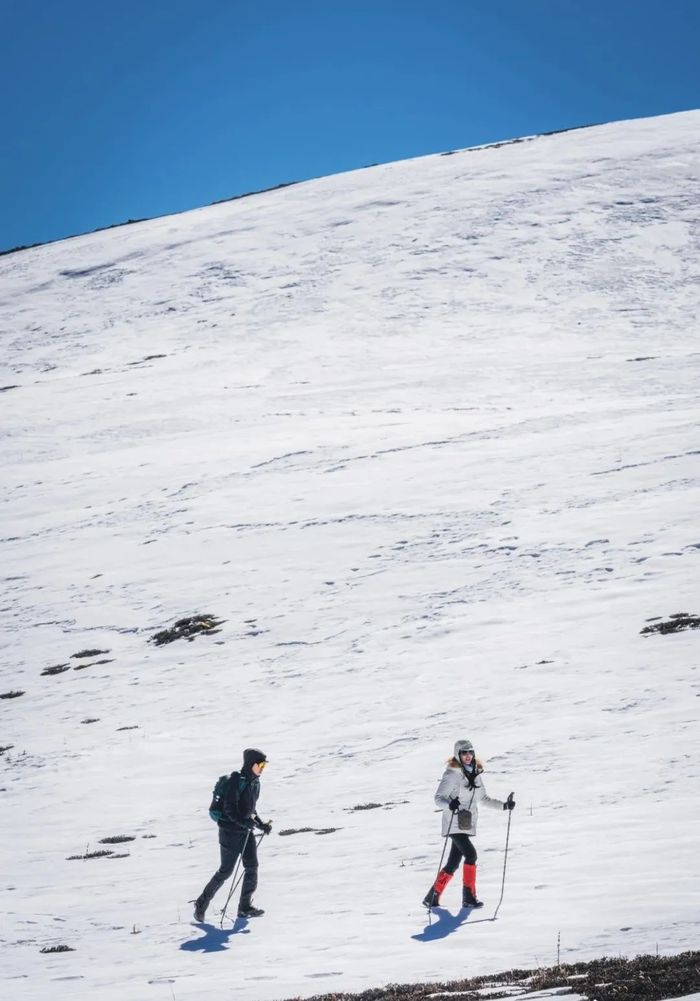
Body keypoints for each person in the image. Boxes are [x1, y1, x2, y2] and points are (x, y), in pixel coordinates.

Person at [423, 738, 515, 909]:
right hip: (453, 822)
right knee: (471, 855)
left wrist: (504, 806)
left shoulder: (476, 774)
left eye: (470, 752)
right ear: (458, 755)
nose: (468, 755)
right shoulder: (451, 774)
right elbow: (438, 798)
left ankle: (431, 897)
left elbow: (484, 799)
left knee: (453, 863)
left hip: (466, 824)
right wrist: (449, 804)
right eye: (464, 752)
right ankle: (469, 898)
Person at [194, 748, 272, 922]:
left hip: (245, 832)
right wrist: (246, 823)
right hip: (229, 833)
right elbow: (229, 809)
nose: (262, 769)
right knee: (225, 872)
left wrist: (261, 824)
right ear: (251, 764)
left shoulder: (254, 783)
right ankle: (200, 904)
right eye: (260, 765)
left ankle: (244, 907)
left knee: (252, 867)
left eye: (264, 766)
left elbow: (250, 811)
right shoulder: (236, 780)